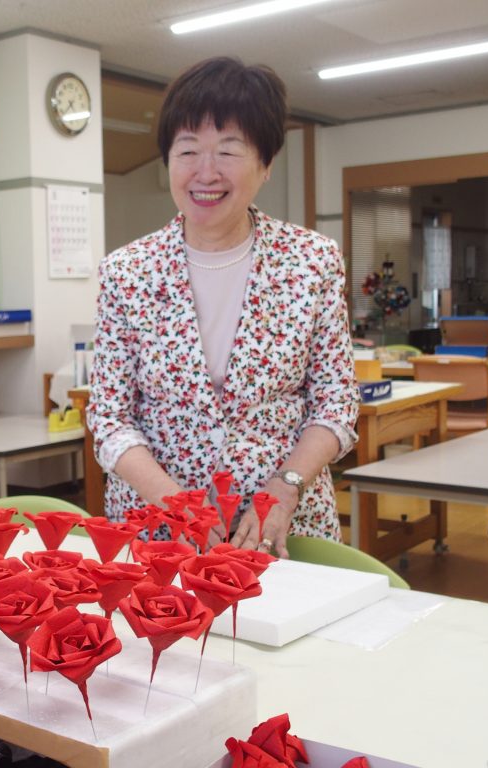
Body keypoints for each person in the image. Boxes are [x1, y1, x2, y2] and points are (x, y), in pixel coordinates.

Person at [88, 57, 359, 559]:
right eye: (187, 150)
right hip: (158, 526)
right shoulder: (127, 272)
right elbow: (109, 417)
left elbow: (335, 403)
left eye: (229, 150)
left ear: (266, 163)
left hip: (283, 521)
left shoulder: (311, 261)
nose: (205, 172)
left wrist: (287, 484)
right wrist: (175, 503)